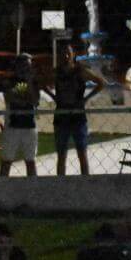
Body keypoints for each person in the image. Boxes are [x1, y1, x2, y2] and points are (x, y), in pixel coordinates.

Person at [46, 46, 100, 177]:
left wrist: (86, 98)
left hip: (78, 117)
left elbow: (101, 82)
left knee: (82, 153)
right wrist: (53, 96)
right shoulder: (57, 71)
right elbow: (42, 82)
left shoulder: (80, 71)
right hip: (61, 117)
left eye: (68, 53)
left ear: (73, 55)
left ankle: (85, 182)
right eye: (63, 53)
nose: (66, 56)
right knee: (61, 155)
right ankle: (61, 183)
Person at [0, 55, 40, 177]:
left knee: (30, 161)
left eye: (28, 66)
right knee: (7, 160)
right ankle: (3, 185)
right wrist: (24, 97)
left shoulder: (33, 82)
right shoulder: (9, 81)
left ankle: (32, 187)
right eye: (22, 66)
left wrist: (29, 82)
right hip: (13, 125)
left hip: (29, 125)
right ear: (16, 66)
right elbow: (10, 97)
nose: (25, 69)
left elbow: (34, 100)